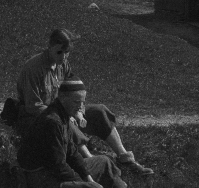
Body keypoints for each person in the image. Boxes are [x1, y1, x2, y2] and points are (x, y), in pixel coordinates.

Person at [16, 78, 169, 188]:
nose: (80, 107)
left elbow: (72, 152)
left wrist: (87, 175)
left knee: (103, 162)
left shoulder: (63, 115)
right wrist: (86, 182)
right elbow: (57, 166)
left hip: (54, 170)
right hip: (42, 179)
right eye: (76, 102)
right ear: (62, 98)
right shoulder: (53, 121)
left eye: (82, 102)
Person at [15, 28, 153, 175]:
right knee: (65, 123)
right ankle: (91, 163)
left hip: (64, 111)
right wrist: (66, 116)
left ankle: (125, 158)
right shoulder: (33, 68)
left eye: (67, 53)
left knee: (99, 111)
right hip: (38, 119)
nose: (63, 57)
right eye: (59, 52)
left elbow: (75, 92)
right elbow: (33, 106)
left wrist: (79, 111)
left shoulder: (63, 65)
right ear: (49, 47)